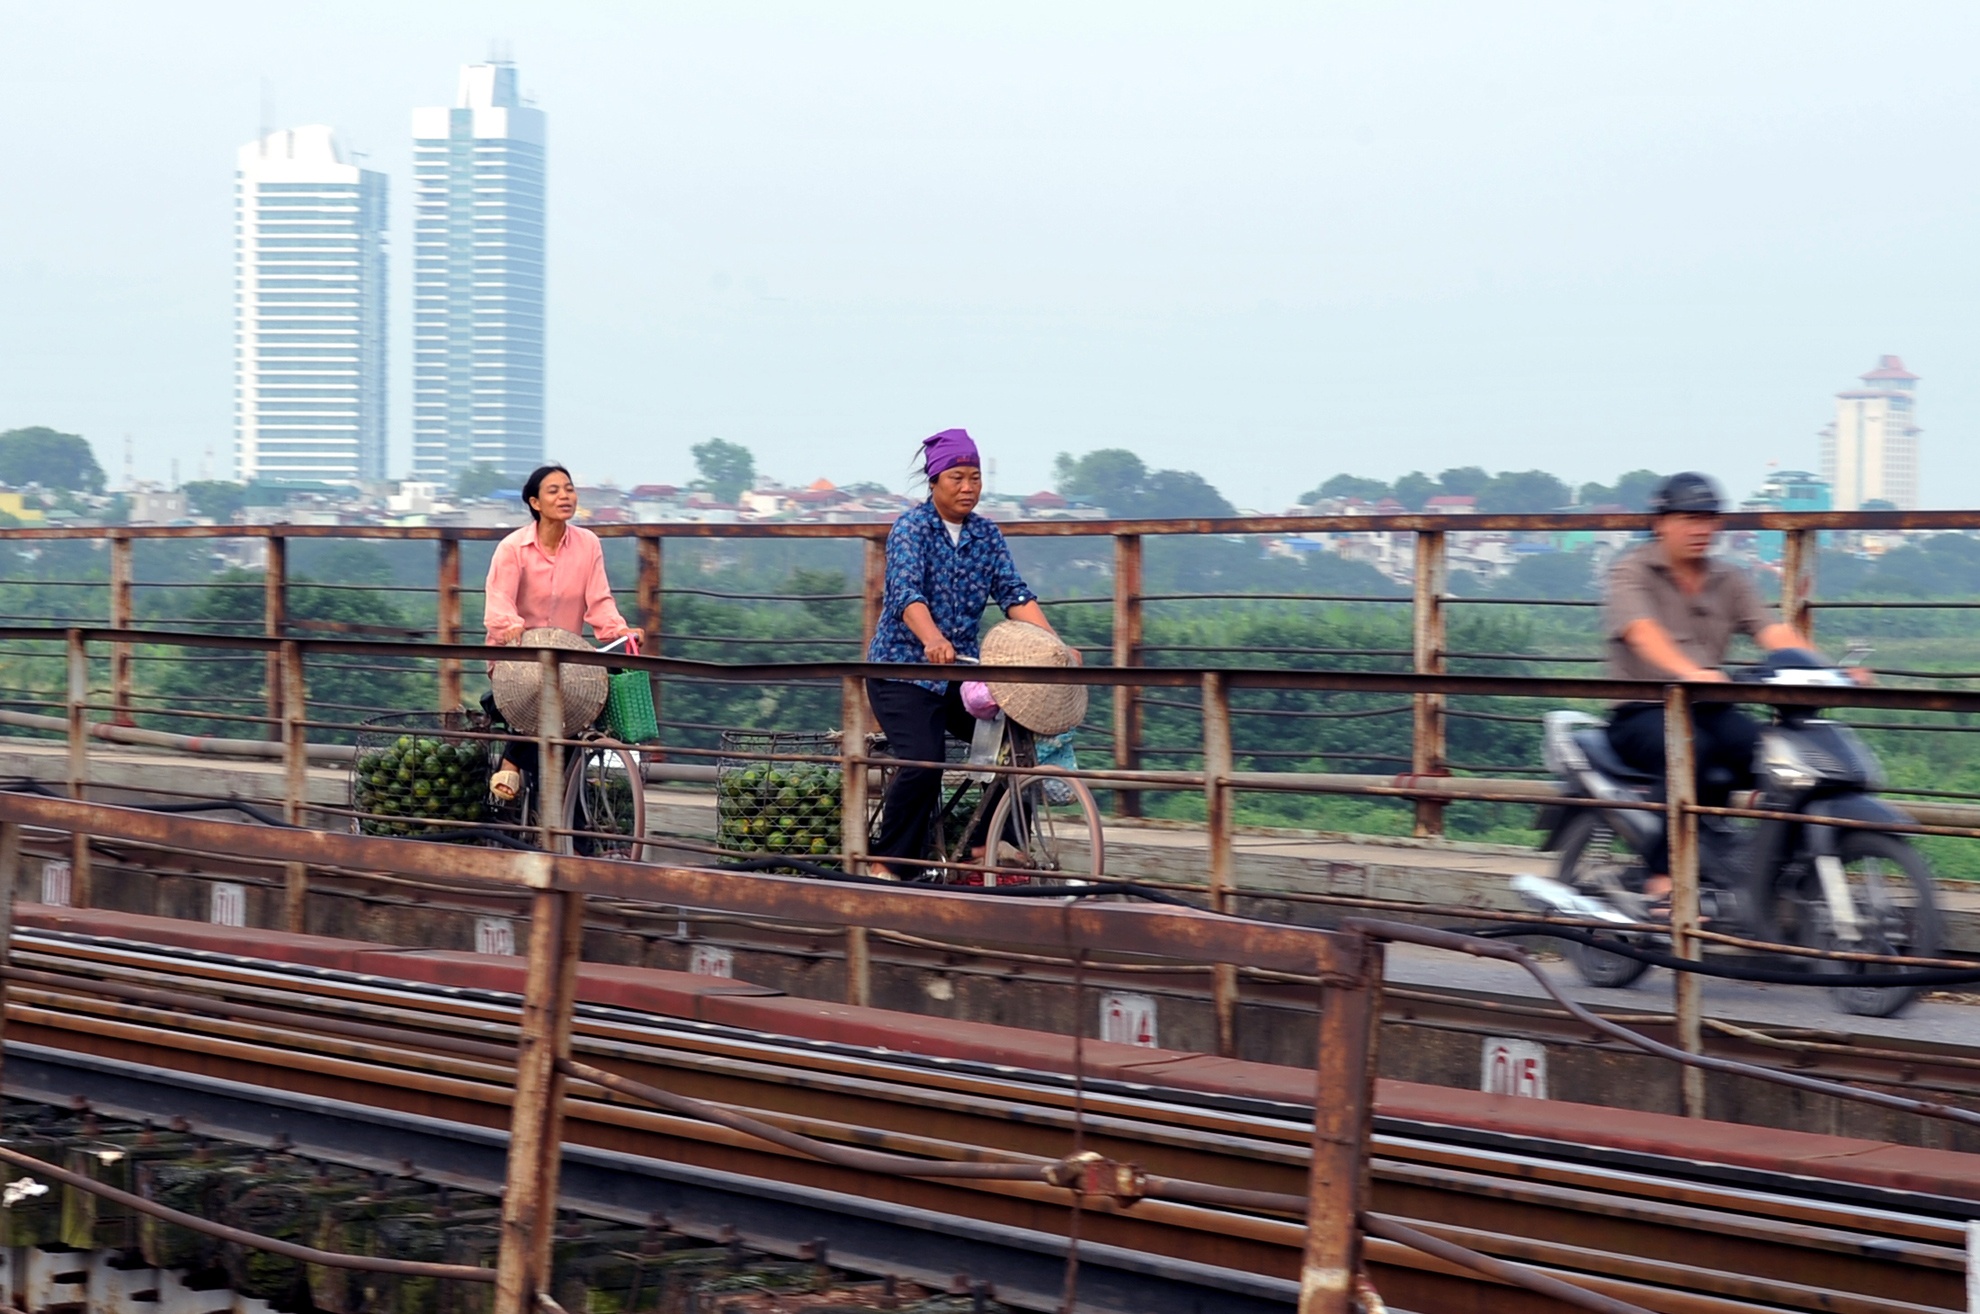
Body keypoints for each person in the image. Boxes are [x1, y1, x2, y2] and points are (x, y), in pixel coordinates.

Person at [1603, 471, 1850, 908]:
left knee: (1778, 756)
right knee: (1691, 754)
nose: (1700, 529)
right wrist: (1690, 672)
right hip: (1643, 710)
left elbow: (1773, 632)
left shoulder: (1728, 577)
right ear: (1660, 523)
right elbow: (1641, 632)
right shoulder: (1631, 572)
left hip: (1709, 707)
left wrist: (1831, 672)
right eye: (1688, 518)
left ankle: (1761, 865)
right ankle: (1661, 879)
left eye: (1708, 519)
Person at [865, 429, 1079, 878]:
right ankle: (888, 861)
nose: (967, 487)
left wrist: (1055, 647)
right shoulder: (911, 529)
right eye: (957, 478)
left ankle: (987, 843)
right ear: (934, 482)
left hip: (961, 678)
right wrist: (931, 638)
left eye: (975, 478)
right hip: (902, 674)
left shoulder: (986, 534)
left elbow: (1014, 595)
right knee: (924, 761)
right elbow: (905, 593)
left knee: (1019, 744)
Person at [483, 464, 640, 800]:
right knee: (543, 690)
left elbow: (599, 601)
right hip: (517, 661)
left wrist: (620, 632)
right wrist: (510, 626)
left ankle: (520, 765)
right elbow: (498, 602)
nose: (564, 496)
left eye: (568, 489)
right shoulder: (513, 548)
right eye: (553, 491)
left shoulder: (588, 545)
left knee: (582, 699)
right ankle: (517, 766)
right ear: (535, 503)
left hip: (568, 663)